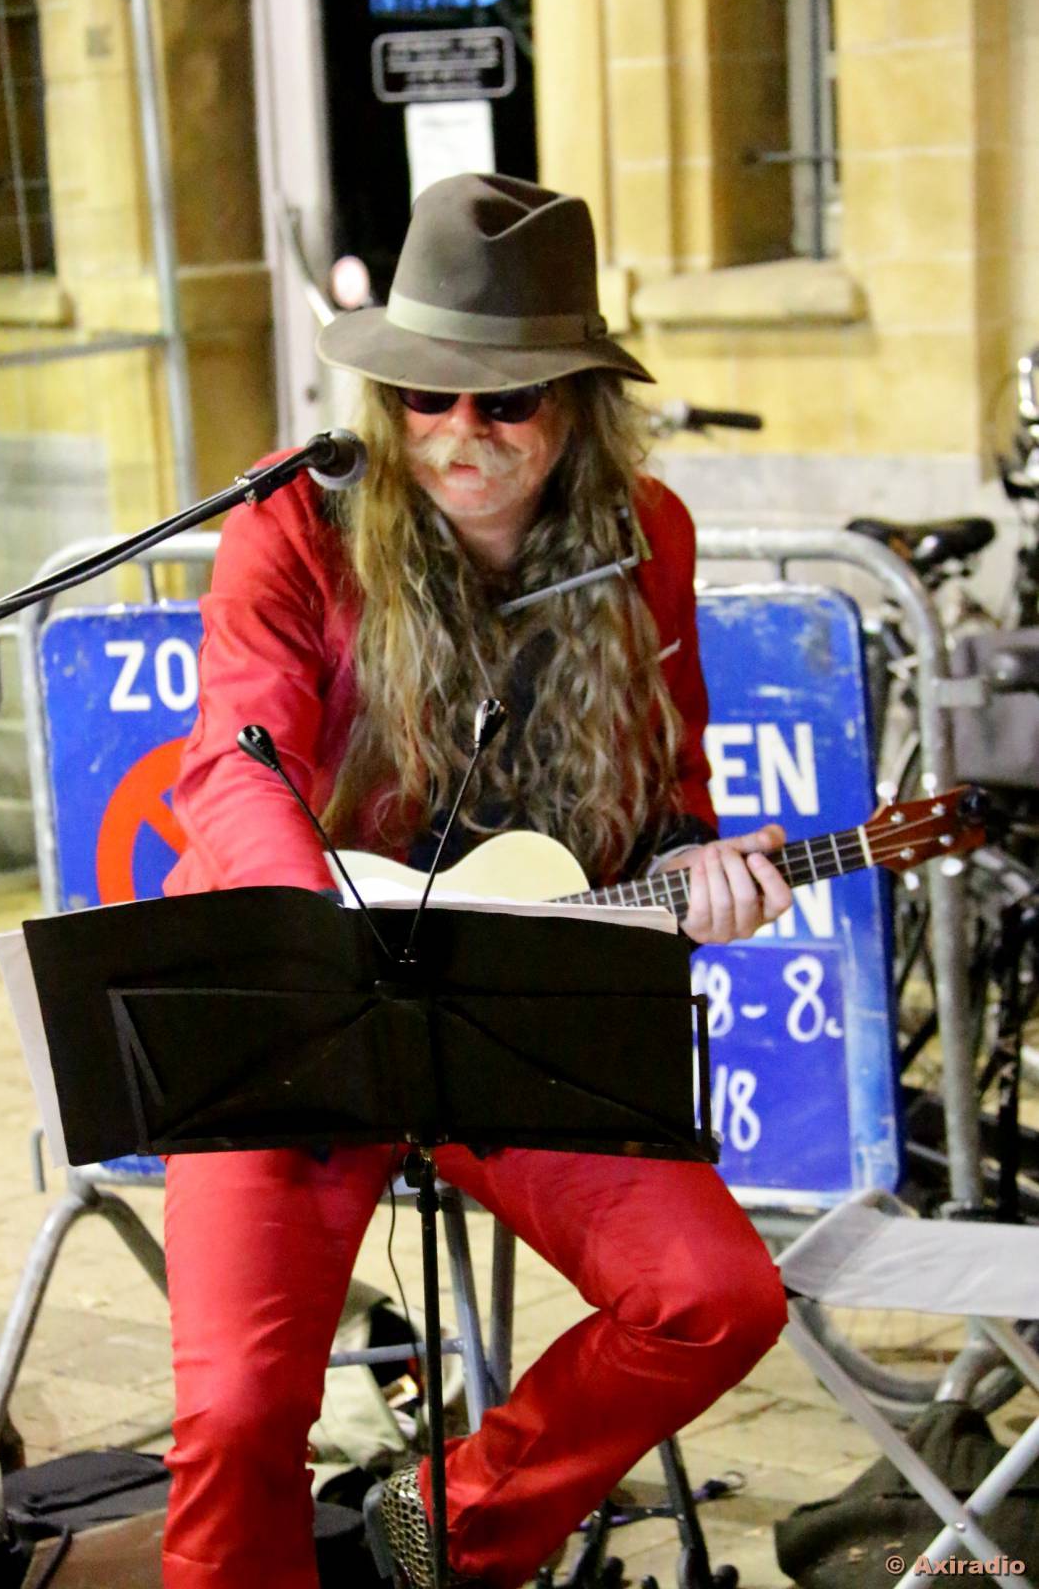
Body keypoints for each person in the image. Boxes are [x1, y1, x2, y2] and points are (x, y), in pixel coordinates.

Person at [160, 173, 792, 1589]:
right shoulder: (296, 524)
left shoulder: (648, 537)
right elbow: (237, 762)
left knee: (712, 1298)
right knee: (239, 1412)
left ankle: (447, 1522)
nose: (459, 429)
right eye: (424, 393)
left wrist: (698, 868)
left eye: (504, 401)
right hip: (301, 999)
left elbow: (668, 794)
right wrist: (319, 931)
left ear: (575, 403)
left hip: (510, 1011)